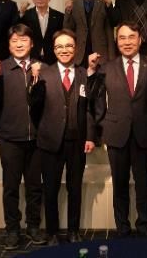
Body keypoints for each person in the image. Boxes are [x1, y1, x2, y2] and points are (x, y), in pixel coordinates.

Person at [92, 22, 147, 237]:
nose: (127, 42)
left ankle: (143, 228)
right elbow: (98, 102)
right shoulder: (106, 67)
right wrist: (102, 129)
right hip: (116, 134)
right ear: (117, 41)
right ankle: (122, 228)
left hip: (144, 133)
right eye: (122, 38)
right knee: (120, 185)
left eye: (131, 37)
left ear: (140, 40)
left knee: (143, 184)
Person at [28, 30, 98, 245]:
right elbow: (34, 106)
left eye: (68, 46)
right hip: (50, 141)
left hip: (77, 141)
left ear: (75, 48)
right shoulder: (43, 73)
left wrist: (90, 136)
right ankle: (52, 233)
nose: (64, 50)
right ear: (53, 49)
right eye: (59, 46)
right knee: (51, 189)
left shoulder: (84, 74)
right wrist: (34, 81)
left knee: (75, 188)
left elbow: (89, 108)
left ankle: (74, 231)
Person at [0, 24, 46, 250]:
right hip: (10, 138)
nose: (19, 44)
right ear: (9, 45)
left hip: (37, 138)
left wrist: (38, 77)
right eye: (14, 41)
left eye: (24, 40)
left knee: (34, 186)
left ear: (32, 43)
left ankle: (33, 226)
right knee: (11, 187)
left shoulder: (42, 68)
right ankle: (12, 229)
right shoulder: (1, 68)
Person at [63, 0, 116, 67]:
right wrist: (68, 11)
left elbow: (109, 31)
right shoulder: (72, 3)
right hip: (79, 55)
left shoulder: (104, 3)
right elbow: (67, 30)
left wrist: (112, 57)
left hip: (101, 55)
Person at [19, 0, 64, 65]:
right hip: (31, 57)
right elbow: (16, 30)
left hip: (53, 58)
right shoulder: (26, 15)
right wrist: (21, 12)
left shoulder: (59, 16)